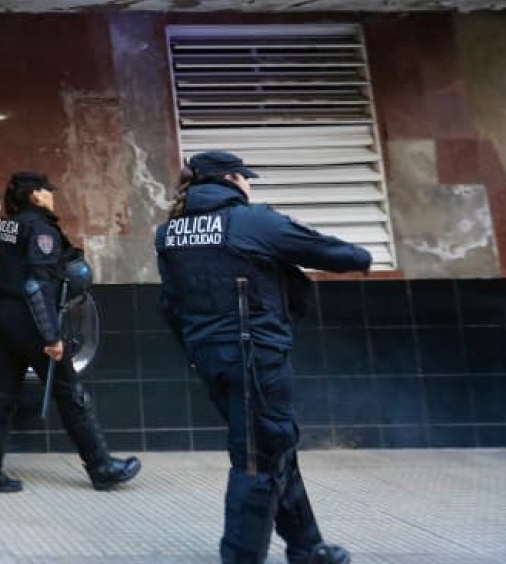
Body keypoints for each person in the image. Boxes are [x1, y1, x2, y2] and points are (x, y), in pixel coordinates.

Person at [156, 151, 371, 564]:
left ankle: (307, 547)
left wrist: (197, 351)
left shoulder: (171, 233)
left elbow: (170, 305)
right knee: (259, 460)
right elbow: (321, 249)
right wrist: (360, 256)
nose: (250, 185)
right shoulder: (251, 221)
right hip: (255, 356)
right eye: (246, 178)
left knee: (272, 447)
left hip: (210, 358)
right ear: (232, 178)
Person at [0, 171, 140, 494]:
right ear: (35, 194)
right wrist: (51, 337)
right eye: (47, 191)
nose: (52, 195)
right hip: (30, 320)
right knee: (70, 393)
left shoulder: (8, 224)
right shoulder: (40, 228)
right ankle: (101, 466)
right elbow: (36, 285)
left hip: (1, 314)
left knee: (0, 396)